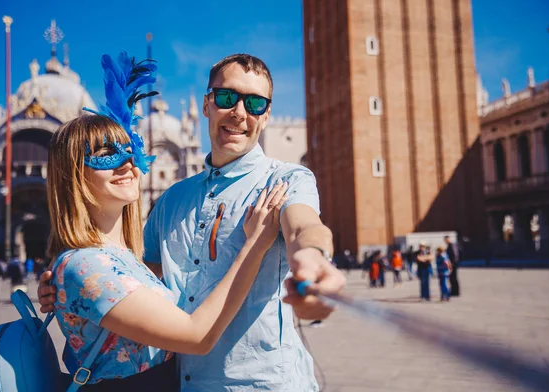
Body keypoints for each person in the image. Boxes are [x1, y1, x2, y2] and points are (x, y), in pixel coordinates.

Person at [39, 53, 346, 391]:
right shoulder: (172, 200)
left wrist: (314, 259)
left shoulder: (285, 180)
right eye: (227, 97)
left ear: (267, 114)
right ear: (206, 104)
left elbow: (304, 225)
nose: (239, 113)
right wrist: (71, 287)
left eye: (256, 103)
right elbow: (133, 281)